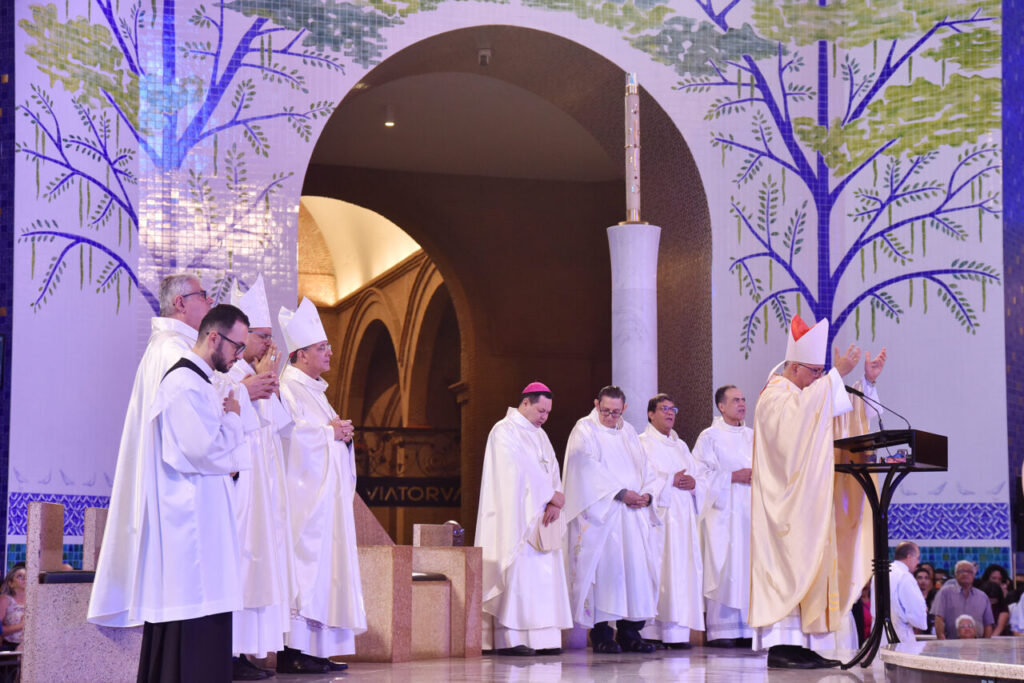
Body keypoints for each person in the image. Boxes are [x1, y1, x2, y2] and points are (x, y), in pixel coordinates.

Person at [749, 315, 885, 669]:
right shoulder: (775, 395)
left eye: (822, 372)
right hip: (785, 511)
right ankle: (783, 646)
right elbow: (796, 425)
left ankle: (806, 645)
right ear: (793, 367)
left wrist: (866, 382)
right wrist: (836, 376)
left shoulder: (807, 395)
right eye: (814, 371)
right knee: (791, 566)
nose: (818, 377)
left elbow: (839, 413)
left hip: (809, 507)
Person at [133, 304, 254, 681]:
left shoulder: (200, 383)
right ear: (213, 337)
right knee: (195, 615)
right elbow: (201, 451)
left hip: (204, 517)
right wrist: (233, 418)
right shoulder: (183, 383)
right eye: (237, 347)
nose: (238, 358)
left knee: (206, 614)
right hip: (191, 527)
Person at [89, 274, 213, 628]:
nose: (209, 304)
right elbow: (190, 423)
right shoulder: (173, 351)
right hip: (175, 485)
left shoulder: (171, 348)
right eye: (203, 296)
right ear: (180, 303)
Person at [277, 297, 366, 673]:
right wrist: (329, 434)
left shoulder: (318, 393)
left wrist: (341, 437)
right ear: (299, 355)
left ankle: (318, 649)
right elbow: (289, 441)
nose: (330, 352)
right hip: (304, 504)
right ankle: (294, 651)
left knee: (327, 573)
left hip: (326, 504)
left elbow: (323, 436)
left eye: (328, 345)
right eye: (321, 347)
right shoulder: (288, 389)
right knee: (306, 571)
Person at [217, 276, 296, 680]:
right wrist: (252, 388)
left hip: (262, 490)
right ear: (241, 337)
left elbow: (279, 428)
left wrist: (272, 385)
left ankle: (246, 651)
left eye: (269, 336)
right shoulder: (227, 378)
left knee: (259, 567)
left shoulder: (256, 375)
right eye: (261, 336)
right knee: (241, 567)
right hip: (239, 490)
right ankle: (228, 653)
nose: (268, 343)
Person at [475, 381, 573, 656]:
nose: (544, 417)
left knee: (544, 576)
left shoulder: (541, 436)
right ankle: (512, 638)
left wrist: (557, 499)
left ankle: (544, 639)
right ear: (525, 402)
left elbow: (552, 469)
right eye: (541, 410)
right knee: (519, 573)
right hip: (517, 518)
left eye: (548, 413)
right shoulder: (504, 431)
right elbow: (514, 473)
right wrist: (550, 495)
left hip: (543, 516)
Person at [562, 385, 660, 654]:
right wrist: (619, 493)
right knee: (605, 575)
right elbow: (584, 468)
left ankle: (630, 633)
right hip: (603, 517)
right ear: (596, 404)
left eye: (616, 412)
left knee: (634, 575)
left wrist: (648, 495)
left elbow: (646, 468)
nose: (610, 417)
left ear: (624, 409)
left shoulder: (628, 431)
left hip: (633, 516)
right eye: (605, 411)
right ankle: (603, 634)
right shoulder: (585, 429)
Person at [636, 393, 705, 649]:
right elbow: (641, 478)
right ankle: (651, 632)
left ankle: (677, 634)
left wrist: (694, 483)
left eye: (672, 408)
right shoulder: (641, 443)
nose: (669, 413)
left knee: (681, 571)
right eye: (663, 408)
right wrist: (669, 481)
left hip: (683, 520)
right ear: (650, 414)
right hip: (659, 519)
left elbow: (699, 477)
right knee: (658, 570)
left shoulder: (682, 446)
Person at [692, 384, 754, 647]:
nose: (741, 404)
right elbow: (698, 476)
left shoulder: (754, 436)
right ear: (721, 406)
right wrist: (732, 476)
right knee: (725, 566)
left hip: (750, 512)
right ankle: (723, 632)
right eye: (735, 400)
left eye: (743, 399)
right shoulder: (709, 437)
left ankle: (749, 631)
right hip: (722, 514)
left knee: (749, 567)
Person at [931, 561, 994, 639]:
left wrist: (986, 645)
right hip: (951, 645)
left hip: (977, 646)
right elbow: (939, 618)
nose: (965, 574)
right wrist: (941, 641)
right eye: (961, 571)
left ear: (974, 575)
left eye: (969, 571)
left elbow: (988, 624)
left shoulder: (983, 597)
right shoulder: (945, 592)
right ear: (955, 574)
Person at [881, 542, 927, 645]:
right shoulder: (905, 576)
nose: (918, 562)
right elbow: (916, 612)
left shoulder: (882, 572)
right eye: (917, 558)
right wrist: (923, 612)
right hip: (899, 634)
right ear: (909, 556)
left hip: (880, 634)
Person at [0, 565, 26, 651]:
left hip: (30, 646)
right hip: (10, 646)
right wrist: (21, 626)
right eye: (19, 576)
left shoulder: (34, 601)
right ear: (10, 583)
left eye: (27, 576)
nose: (24, 578)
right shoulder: (5, 600)